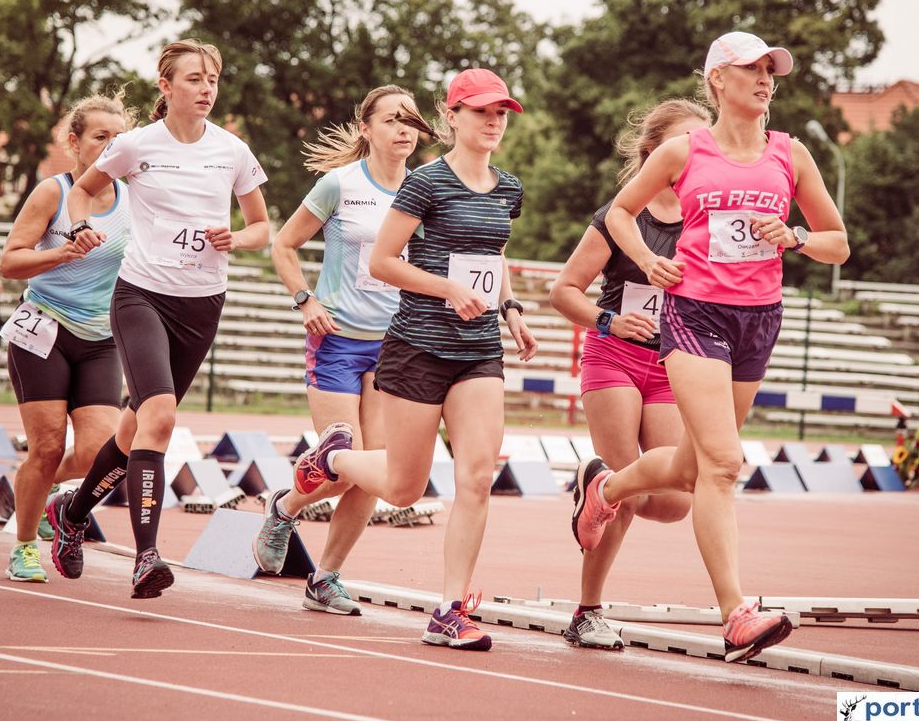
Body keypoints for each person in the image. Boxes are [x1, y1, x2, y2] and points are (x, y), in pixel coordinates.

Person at [570, 32, 849, 663]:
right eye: (751, 70)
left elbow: (839, 242)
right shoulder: (683, 150)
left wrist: (795, 237)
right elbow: (619, 213)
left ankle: (606, 491)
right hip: (696, 316)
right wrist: (646, 258)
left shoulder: (791, 155)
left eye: (770, 71)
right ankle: (736, 613)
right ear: (717, 79)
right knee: (723, 464)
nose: (765, 80)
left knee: (694, 466)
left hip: (759, 319)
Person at [290, 69, 538, 651]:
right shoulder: (425, 184)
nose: (493, 122)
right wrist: (445, 289)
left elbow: (493, 255)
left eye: (501, 113)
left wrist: (511, 309)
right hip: (417, 347)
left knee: (476, 476)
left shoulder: (509, 188)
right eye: (480, 112)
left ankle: (449, 609)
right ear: (451, 116)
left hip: (478, 353)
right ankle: (339, 458)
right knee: (403, 487)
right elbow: (381, 262)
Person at [46, 39, 271, 599]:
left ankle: (71, 514)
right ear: (166, 87)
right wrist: (80, 227)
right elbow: (82, 193)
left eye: (213, 79)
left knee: (134, 429)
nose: (206, 89)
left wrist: (237, 237)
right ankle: (146, 556)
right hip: (142, 296)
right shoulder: (135, 145)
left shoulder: (233, 151)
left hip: (202, 304)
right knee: (162, 419)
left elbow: (262, 226)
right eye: (194, 79)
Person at [548, 99, 709, 649]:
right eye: (685, 140)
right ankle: (587, 611)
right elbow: (563, 292)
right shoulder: (621, 214)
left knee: (673, 497)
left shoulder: (705, 219)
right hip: (614, 356)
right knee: (626, 490)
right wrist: (610, 321)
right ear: (653, 150)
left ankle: (598, 489)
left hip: (672, 364)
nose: (695, 152)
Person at [257, 85, 423, 615]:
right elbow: (283, 245)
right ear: (366, 128)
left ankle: (324, 577)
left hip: (395, 344)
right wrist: (305, 299)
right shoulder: (339, 185)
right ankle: (285, 509)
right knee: (339, 465)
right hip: (337, 341)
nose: (404, 129)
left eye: (411, 121)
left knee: (378, 469)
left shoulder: (426, 189)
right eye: (393, 120)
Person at [0, 92, 133, 583]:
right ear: (74, 142)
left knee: (103, 454)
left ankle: (54, 503)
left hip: (102, 336)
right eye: (101, 137)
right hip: (44, 327)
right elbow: (10, 261)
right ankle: (25, 546)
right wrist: (63, 253)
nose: (111, 146)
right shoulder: (52, 192)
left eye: (120, 139)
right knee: (48, 447)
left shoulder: (134, 197)